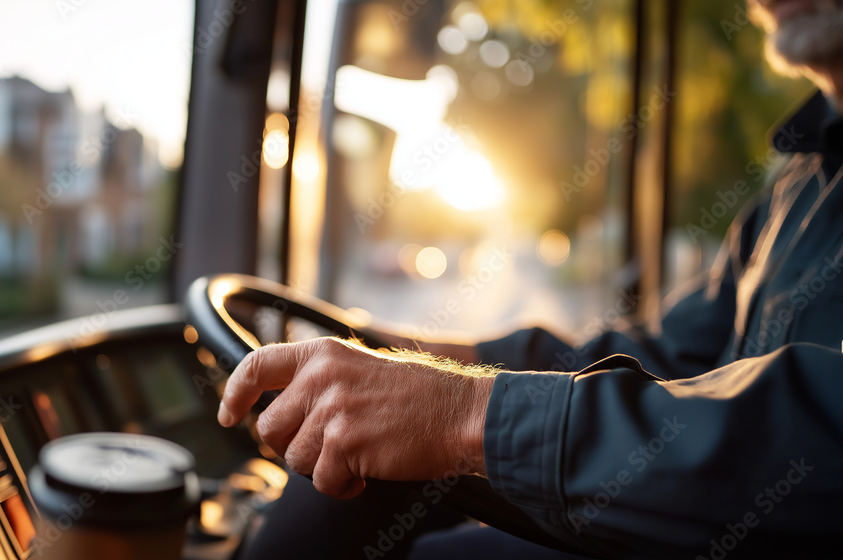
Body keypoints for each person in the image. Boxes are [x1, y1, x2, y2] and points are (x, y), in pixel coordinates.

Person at [219, 0, 843, 557]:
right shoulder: (797, 185)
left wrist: (466, 416)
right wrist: (403, 359)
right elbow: (669, 356)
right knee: (355, 495)